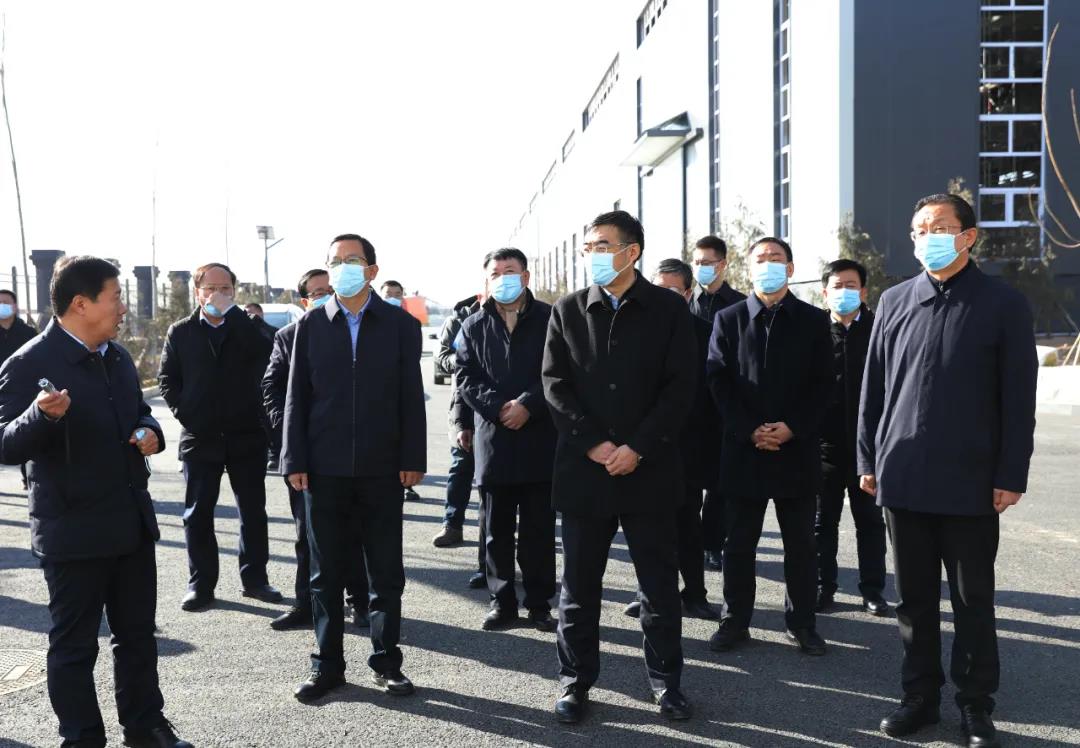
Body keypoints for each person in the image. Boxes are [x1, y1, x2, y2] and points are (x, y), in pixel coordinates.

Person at [860, 194, 1037, 747]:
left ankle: (976, 705)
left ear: (968, 236)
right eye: (919, 229)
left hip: (971, 481)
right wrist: (868, 458)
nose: (926, 237)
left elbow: (1018, 399)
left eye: (939, 227)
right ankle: (919, 697)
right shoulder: (894, 301)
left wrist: (1011, 473)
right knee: (913, 601)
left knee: (972, 601)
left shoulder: (1002, 304)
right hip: (903, 475)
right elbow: (874, 391)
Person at [0, 256, 192, 748]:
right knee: (75, 646)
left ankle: (146, 726)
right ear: (81, 304)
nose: (123, 307)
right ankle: (82, 737)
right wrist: (40, 416)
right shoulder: (28, 363)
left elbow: (141, 411)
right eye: (116, 297)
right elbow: (5, 444)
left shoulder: (117, 357)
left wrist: (149, 431)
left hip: (129, 521)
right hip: (72, 528)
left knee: (137, 637)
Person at [543, 211, 696, 723]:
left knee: (658, 588)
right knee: (579, 589)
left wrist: (637, 447)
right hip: (585, 472)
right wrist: (594, 444)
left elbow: (681, 387)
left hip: (649, 471)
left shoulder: (668, 310)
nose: (593, 255)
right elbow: (554, 385)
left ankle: (667, 683)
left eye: (602, 246)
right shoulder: (567, 310)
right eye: (589, 247)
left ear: (632, 252)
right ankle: (574, 681)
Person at [283, 234, 426, 703]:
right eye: (336, 261)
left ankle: (387, 663)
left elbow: (410, 396)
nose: (344, 267)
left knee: (385, 572)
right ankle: (326, 665)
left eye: (353, 260)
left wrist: (413, 458)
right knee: (324, 573)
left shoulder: (400, 325)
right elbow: (296, 397)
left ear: (372, 270)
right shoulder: (310, 324)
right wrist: (294, 459)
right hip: (322, 469)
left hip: (383, 467)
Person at [706, 237, 832, 657]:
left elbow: (823, 385)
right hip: (744, 449)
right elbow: (718, 380)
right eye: (759, 259)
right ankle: (734, 622)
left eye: (775, 258)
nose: (767, 264)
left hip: (796, 450)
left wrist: (793, 427)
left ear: (790, 268)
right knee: (739, 544)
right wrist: (749, 429)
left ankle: (803, 624)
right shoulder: (728, 319)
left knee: (801, 545)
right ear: (748, 268)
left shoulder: (813, 320)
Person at [158, 262, 280, 612]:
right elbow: (167, 380)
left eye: (225, 288)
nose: (218, 295)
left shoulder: (248, 327)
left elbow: (269, 355)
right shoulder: (181, 331)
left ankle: (255, 580)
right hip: (200, 436)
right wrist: (187, 412)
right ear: (197, 292)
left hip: (246, 434)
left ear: (234, 292)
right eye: (210, 288)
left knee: (252, 511)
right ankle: (200, 584)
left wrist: (238, 317)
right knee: (197, 514)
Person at [261, 269, 369, 632]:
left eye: (330, 289)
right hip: (307, 455)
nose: (327, 296)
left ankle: (360, 601)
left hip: (356, 453)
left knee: (355, 532)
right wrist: (292, 433)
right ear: (305, 301)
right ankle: (306, 604)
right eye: (318, 292)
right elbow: (272, 389)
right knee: (307, 535)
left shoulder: (362, 332)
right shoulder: (290, 335)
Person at [456, 249, 557, 632]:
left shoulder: (551, 318)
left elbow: (561, 369)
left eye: (510, 271)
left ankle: (539, 604)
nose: (503, 278)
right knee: (495, 530)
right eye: (495, 273)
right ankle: (502, 602)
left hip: (539, 436)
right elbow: (465, 376)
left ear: (526, 277)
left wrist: (528, 404)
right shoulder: (473, 325)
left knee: (538, 530)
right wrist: (499, 407)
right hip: (494, 438)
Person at [621, 259, 718, 621]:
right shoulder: (635, 329)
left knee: (688, 523)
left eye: (672, 290)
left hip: (687, 443)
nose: (663, 296)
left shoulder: (704, 331)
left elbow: (710, 391)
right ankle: (646, 593)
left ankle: (695, 593)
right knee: (645, 525)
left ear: (688, 294)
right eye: (657, 288)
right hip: (643, 444)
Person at [815, 259, 888, 616]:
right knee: (821, 522)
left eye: (851, 285)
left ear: (863, 291)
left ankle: (872, 590)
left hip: (869, 449)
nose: (843, 292)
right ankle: (822, 586)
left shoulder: (879, 329)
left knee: (870, 523)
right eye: (837, 286)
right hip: (823, 447)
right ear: (824, 292)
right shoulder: (813, 330)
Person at [688, 235, 745, 572]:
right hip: (690, 405)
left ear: (723, 264)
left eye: (708, 263)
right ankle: (690, 541)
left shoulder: (740, 305)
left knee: (721, 483)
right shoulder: (684, 303)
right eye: (697, 262)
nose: (702, 268)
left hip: (725, 406)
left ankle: (712, 543)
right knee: (690, 482)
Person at [433, 290, 489, 590]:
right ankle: (452, 524)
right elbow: (442, 357)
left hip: (503, 411)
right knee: (461, 468)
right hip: (464, 405)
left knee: (496, 485)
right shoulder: (459, 319)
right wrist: (466, 357)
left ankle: (497, 552)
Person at [380, 280, 420, 502]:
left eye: (397, 294)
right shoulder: (370, 322)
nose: (393, 298)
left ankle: (406, 485)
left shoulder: (410, 323)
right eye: (389, 294)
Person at [0, 289, 38, 490]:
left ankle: (27, 475)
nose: (2, 307)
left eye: (5, 302)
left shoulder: (28, 333)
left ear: (15, 307)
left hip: (21, 390)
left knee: (23, 430)